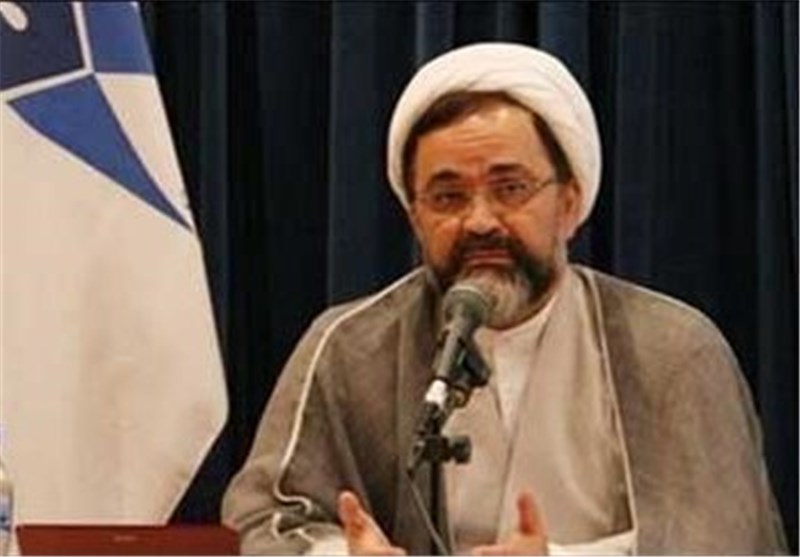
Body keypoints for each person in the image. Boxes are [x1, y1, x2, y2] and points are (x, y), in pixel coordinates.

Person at [221, 43, 787, 555]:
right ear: (414, 216)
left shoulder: (673, 349)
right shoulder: (349, 347)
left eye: (510, 188)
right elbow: (268, 517)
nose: (480, 221)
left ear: (569, 202)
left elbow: (724, 538)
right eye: (447, 197)